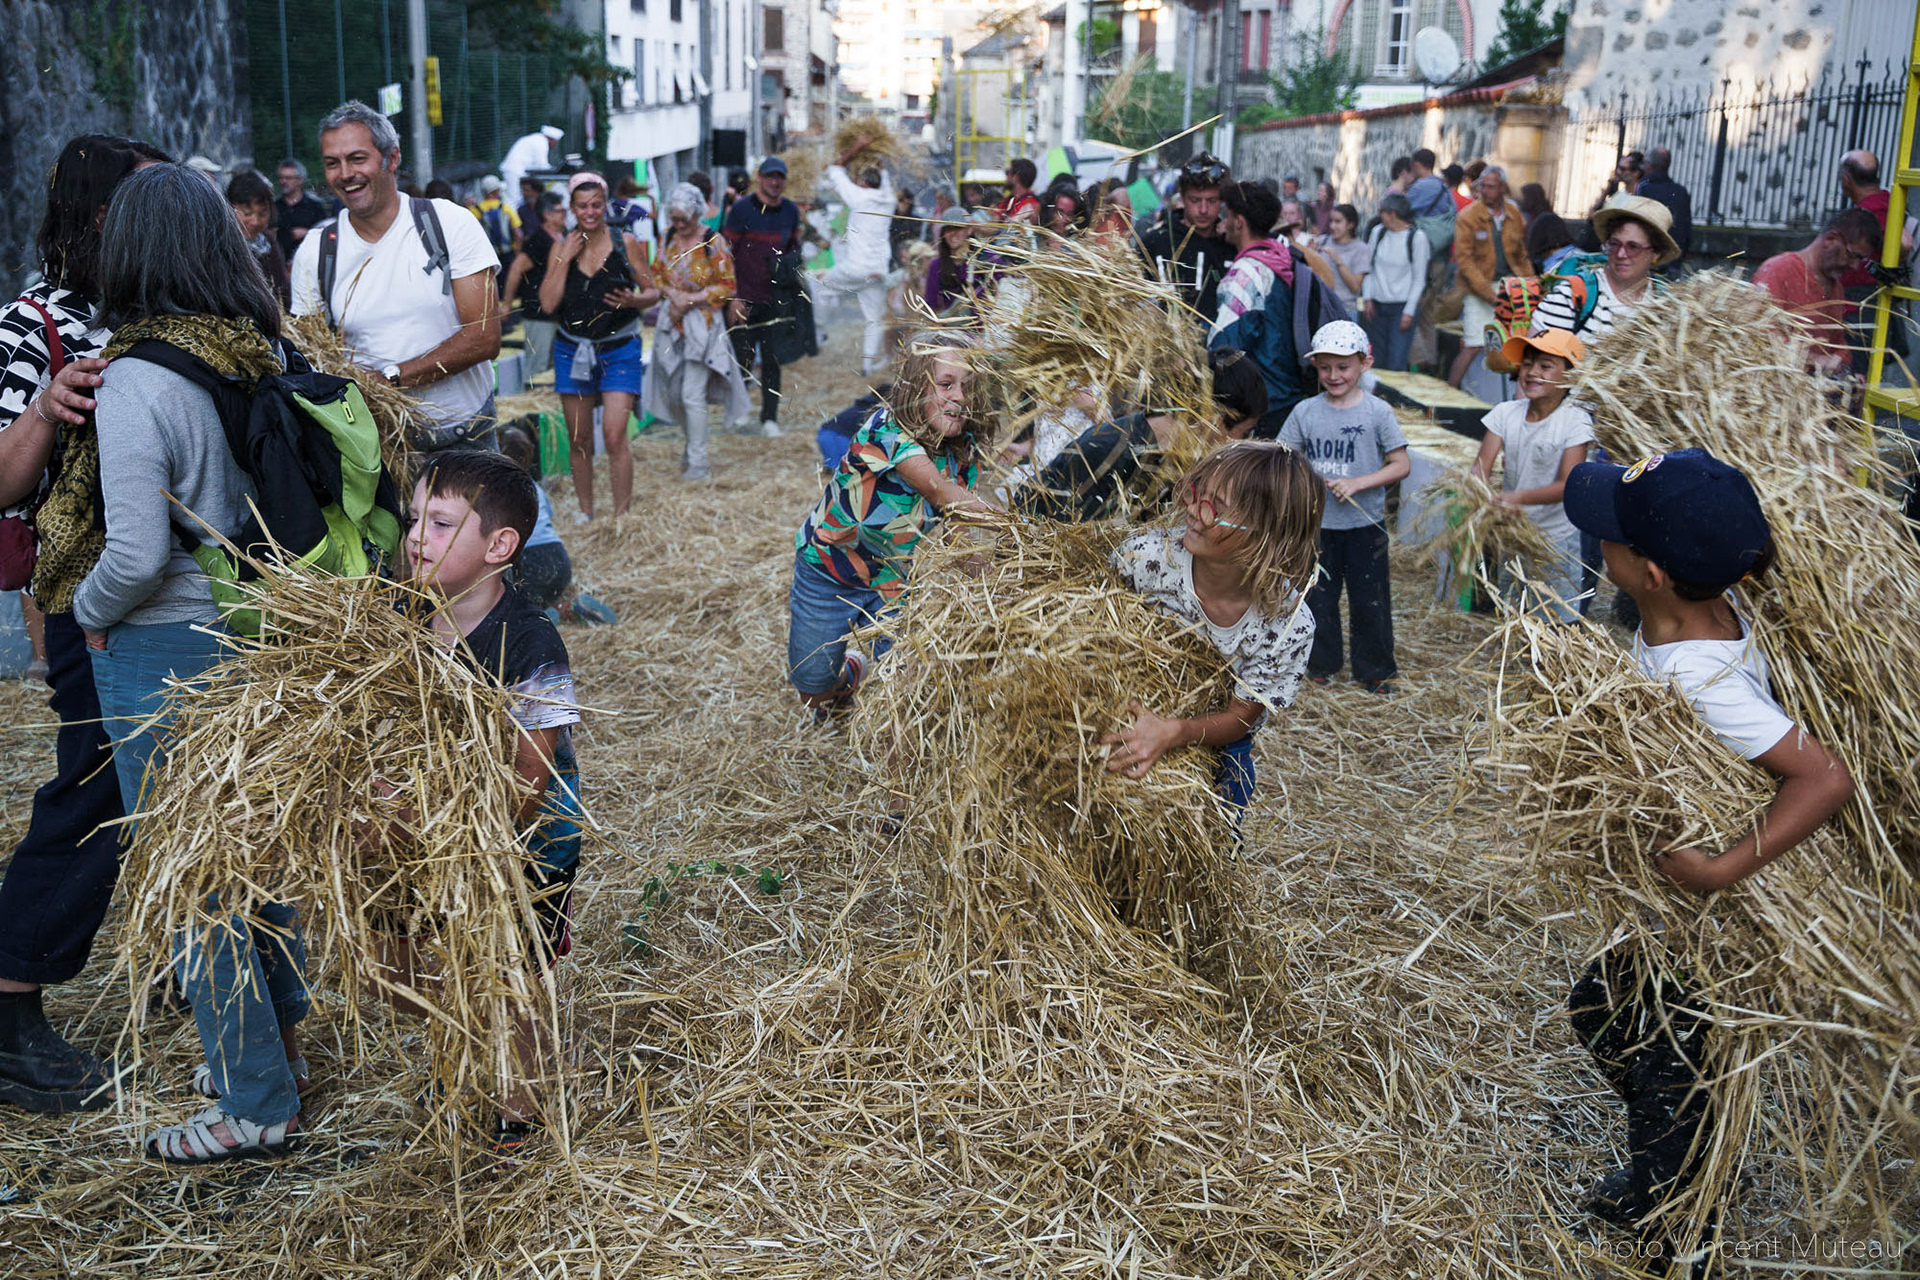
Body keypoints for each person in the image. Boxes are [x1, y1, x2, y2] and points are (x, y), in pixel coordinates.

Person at [1559, 448, 1853, 1269]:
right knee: (1604, 1012)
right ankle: (1667, 1173)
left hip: (1701, 923)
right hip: (1668, 913)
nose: (1599, 545)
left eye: (1609, 538)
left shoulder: (1699, 675)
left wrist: (1721, 867)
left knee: (1667, 1063)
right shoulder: (1698, 619)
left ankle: (1682, 1229)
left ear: (1648, 571)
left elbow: (1825, 777)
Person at [64, 163, 300, 1161]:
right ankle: (271, 1046)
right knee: (252, 855)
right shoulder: (252, 351)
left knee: (193, 877)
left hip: (160, 642)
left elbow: (136, 552)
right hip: (249, 628)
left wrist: (85, 611)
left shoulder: (134, 381)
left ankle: (254, 1103)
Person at [0, 134, 162, 1115]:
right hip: (85, 601)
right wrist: (51, 408)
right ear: (98, 214)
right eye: (144, 199)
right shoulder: (33, 322)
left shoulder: (166, 305)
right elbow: (4, 480)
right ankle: (11, 1004)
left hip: (172, 597)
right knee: (93, 788)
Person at [389, 448, 586, 1159]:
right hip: (427, 827)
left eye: (441, 523)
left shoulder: (531, 643)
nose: (416, 536)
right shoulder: (401, 617)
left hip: (528, 841)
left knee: (513, 975)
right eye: (415, 517)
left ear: (500, 546)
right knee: (416, 958)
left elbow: (530, 775)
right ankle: (465, 1053)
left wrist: (445, 831)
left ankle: (518, 1110)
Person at [1103, 441, 1322, 817]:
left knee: (1221, 819)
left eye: (1214, 506)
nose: (1193, 510)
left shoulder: (1287, 625)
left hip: (1218, 737)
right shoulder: (1144, 560)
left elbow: (1240, 717)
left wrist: (1176, 731)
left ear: (1267, 534)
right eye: (1195, 491)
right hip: (1128, 699)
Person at [787, 332, 996, 714]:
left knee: (897, 689)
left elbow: (958, 530)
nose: (960, 397)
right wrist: (1019, 524)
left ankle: (877, 691)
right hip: (830, 571)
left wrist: (993, 587)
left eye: (967, 387)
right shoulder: (887, 428)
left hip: (895, 583)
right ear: (917, 385)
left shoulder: (962, 451)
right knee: (813, 693)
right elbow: (939, 492)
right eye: (946, 384)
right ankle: (849, 672)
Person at [290, 101, 503, 451]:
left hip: (463, 437)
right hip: (375, 445)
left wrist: (390, 377)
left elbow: (484, 337)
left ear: (391, 158)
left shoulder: (448, 223)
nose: (345, 174)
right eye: (332, 163)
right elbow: (308, 356)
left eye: (358, 159)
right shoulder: (317, 251)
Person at [1278, 321, 1410, 694]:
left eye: (1343, 367)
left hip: (1366, 523)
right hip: (1318, 526)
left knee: (1370, 600)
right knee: (1318, 598)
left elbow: (1401, 465)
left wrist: (1358, 482)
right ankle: (1321, 663)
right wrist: (1309, 480)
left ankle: (1375, 670)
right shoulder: (1305, 412)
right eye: (1324, 367)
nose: (1333, 376)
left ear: (1364, 364)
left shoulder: (1378, 412)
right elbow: (1284, 457)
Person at [1014, 348, 1267, 524]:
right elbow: (1035, 511)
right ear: (1213, 420)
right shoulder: (1116, 448)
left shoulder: (1175, 456)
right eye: (1242, 433)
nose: (1238, 444)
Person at [538, 173, 659, 520]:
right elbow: (547, 304)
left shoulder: (625, 242)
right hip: (572, 349)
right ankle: (585, 511)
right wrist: (564, 259)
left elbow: (651, 292)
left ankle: (621, 517)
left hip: (619, 347)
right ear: (572, 209)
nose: (590, 212)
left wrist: (633, 302)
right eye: (582, 206)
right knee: (580, 439)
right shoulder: (561, 247)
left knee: (614, 433)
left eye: (596, 205)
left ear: (606, 205)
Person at [1468, 329, 1594, 620]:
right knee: (1514, 612)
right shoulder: (1505, 413)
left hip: (1555, 540)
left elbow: (1567, 485)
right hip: (1513, 533)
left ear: (1570, 377)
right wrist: (1478, 493)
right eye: (1527, 364)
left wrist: (1518, 497)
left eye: (1545, 366)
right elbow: (1481, 467)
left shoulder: (1575, 421)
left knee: (1557, 617)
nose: (1532, 372)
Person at [1209, 180, 1349, 438]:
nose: (1223, 222)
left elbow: (1227, 348)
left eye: (1227, 215)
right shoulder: (1284, 258)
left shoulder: (1246, 274)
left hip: (1262, 403)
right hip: (1291, 394)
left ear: (1239, 221)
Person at [642, 183, 749, 482]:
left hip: (703, 325)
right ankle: (692, 446)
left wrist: (693, 299)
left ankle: (699, 462)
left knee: (691, 395)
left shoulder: (713, 242)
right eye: (674, 218)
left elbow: (727, 285)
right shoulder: (667, 238)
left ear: (696, 214)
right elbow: (657, 275)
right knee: (674, 393)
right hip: (672, 323)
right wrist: (673, 296)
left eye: (683, 219)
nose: (678, 224)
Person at [495, 420, 617, 625]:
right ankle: (570, 607)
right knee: (543, 593)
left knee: (521, 602)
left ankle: (549, 616)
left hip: (530, 560)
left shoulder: (499, 492)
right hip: (558, 557)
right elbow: (547, 519)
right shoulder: (535, 487)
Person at [723, 156, 805, 437]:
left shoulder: (791, 212)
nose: (774, 182)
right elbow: (724, 254)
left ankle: (769, 418)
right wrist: (733, 296)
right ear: (759, 177)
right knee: (741, 358)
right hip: (743, 298)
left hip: (775, 300)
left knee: (772, 360)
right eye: (769, 176)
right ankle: (740, 412)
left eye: (779, 177)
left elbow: (794, 251)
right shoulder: (741, 210)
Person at [1529, 196, 1680, 345]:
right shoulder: (1573, 295)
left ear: (1655, 253)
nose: (1621, 254)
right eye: (1614, 244)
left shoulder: (1664, 304)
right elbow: (1538, 365)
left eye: (1633, 247)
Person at [1750, 208, 1883, 377]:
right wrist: (1816, 360)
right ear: (1830, 239)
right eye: (1852, 255)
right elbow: (1759, 337)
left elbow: (1838, 345)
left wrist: (1846, 370)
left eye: (1861, 259)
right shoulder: (1778, 270)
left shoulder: (1836, 287)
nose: (1855, 266)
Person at [1450, 166, 1534, 388]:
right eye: (1482, 186)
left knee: (1515, 343)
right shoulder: (1468, 216)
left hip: (1510, 284)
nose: (1485, 190)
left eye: (1490, 186)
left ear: (1502, 188)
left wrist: (1531, 285)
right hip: (1480, 287)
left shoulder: (1513, 214)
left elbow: (1521, 254)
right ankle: (1448, 394)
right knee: (1473, 344)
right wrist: (1488, 295)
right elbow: (1465, 261)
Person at [821, 140, 898, 377]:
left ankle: (817, 334)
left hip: (854, 268)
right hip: (878, 271)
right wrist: (876, 154)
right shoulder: (889, 200)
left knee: (817, 286)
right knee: (873, 319)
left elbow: (834, 167)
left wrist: (857, 146)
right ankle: (866, 367)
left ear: (862, 182)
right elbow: (883, 174)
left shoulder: (858, 196)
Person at [1137, 153, 1233, 327]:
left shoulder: (1231, 244)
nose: (1203, 210)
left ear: (1222, 201)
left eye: (1211, 201)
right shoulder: (1155, 242)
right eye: (1195, 200)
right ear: (1182, 197)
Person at [501, 190, 567, 382]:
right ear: (548, 215)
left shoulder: (559, 237)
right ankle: (531, 409)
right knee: (537, 367)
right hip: (538, 314)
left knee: (551, 366)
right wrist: (506, 303)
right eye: (561, 211)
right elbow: (516, 269)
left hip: (554, 314)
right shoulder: (539, 240)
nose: (565, 215)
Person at [1359, 192, 1428, 372]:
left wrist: (1409, 311)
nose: (1379, 216)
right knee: (1376, 358)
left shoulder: (1417, 238)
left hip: (1401, 307)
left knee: (1396, 359)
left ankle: (1393, 399)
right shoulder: (1378, 232)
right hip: (1377, 304)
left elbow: (1419, 278)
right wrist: (1367, 297)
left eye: (1382, 212)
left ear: (1393, 214)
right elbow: (1369, 268)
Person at [226, 169, 290, 306]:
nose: (255, 222)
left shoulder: (268, 241)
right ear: (230, 209)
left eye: (262, 214)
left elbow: (282, 289)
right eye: (247, 214)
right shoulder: (220, 245)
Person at [1634, 147, 1692, 260]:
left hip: (1649, 254)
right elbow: (1686, 227)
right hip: (1674, 253)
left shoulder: (1644, 187)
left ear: (1650, 165)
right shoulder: (1681, 191)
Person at [1312, 203, 1370, 311]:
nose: (1332, 226)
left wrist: (1338, 261)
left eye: (1338, 222)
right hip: (1320, 308)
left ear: (1350, 224)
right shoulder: (1322, 241)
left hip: (1345, 310)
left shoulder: (1360, 249)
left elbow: (1355, 287)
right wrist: (1310, 253)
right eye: (1331, 221)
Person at [274, 158, 332, 263]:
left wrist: (308, 232)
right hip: (281, 264)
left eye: (288, 178)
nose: (283, 182)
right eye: (281, 178)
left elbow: (327, 234)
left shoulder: (315, 206)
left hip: (310, 262)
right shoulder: (274, 207)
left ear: (300, 180)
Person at [926, 209, 974, 314]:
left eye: (957, 228)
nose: (953, 234)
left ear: (969, 230)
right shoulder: (936, 266)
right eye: (948, 229)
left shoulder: (985, 259)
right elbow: (931, 306)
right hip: (951, 327)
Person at [473, 174, 523, 271]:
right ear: (497, 191)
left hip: (486, 257)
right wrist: (516, 254)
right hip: (508, 255)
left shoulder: (475, 211)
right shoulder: (506, 209)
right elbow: (518, 234)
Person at [501, 124, 565, 196]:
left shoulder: (537, 139)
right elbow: (541, 165)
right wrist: (555, 171)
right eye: (556, 142)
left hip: (516, 171)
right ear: (552, 139)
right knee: (516, 197)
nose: (555, 145)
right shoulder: (541, 142)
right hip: (514, 171)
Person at [998, 158, 1041, 225]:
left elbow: (1013, 228)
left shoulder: (1032, 203)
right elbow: (995, 221)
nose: (1006, 177)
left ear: (1016, 177)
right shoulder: (1007, 200)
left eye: (1008, 172)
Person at [889, 186, 921, 268]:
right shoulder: (888, 220)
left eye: (907, 203)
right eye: (901, 201)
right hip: (890, 258)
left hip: (909, 258)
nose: (904, 205)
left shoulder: (916, 221)